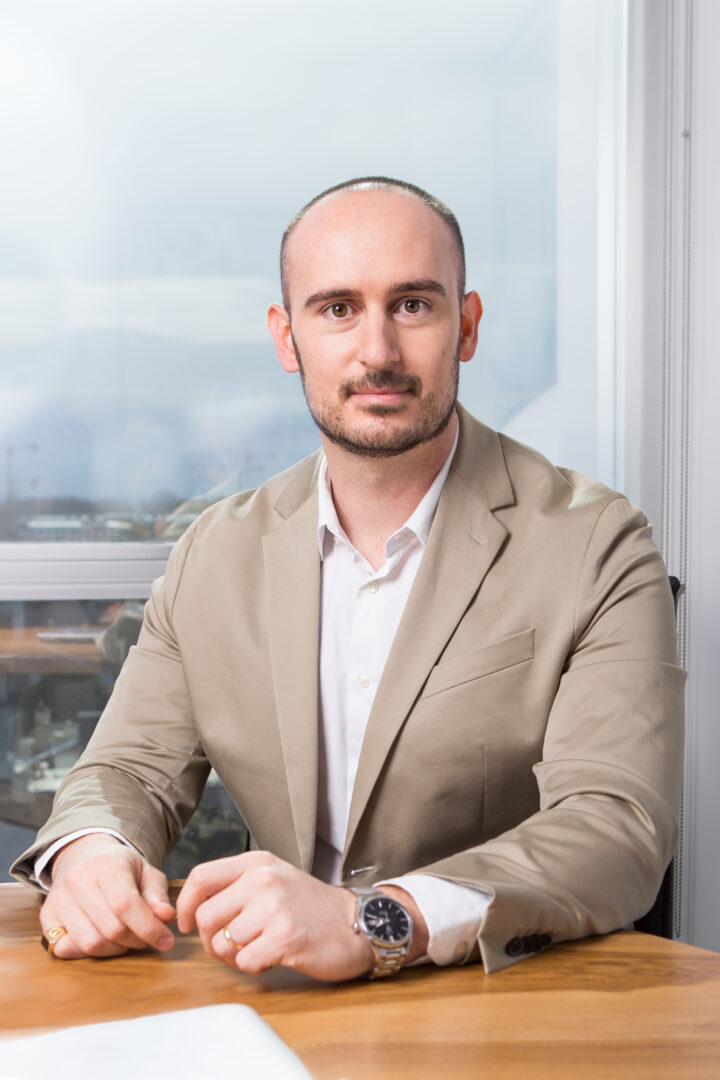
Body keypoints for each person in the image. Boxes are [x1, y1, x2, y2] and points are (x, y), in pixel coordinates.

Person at [12, 177, 685, 979]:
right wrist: (93, 852)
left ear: (467, 326)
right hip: (277, 994)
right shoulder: (214, 554)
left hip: (500, 999)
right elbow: (125, 771)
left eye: (413, 305)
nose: (377, 353)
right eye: (337, 309)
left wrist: (374, 920)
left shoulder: (598, 543)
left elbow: (617, 824)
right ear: (286, 338)